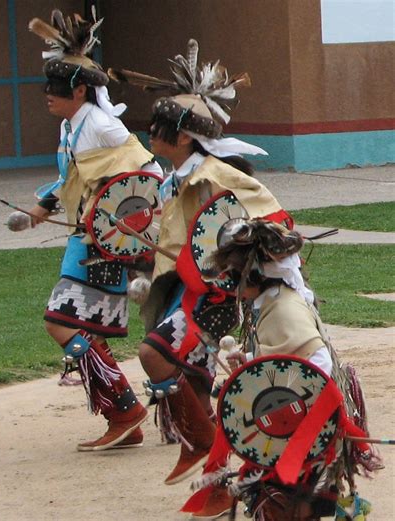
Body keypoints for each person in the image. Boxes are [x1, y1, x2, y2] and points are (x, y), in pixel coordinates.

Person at [110, 39, 293, 518]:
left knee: (154, 354)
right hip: (185, 292)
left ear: (187, 136)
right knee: (190, 385)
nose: (153, 131)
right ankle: (220, 483)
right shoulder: (175, 177)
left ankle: (202, 444)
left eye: (163, 126)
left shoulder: (215, 175)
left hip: (216, 297)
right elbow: (180, 238)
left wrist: (232, 263)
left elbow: (273, 221)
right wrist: (150, 270)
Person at [27, 8, 162, 451]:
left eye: (56, 88)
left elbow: (147, 174)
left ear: (81, 90)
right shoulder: (72, 125)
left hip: (104, 243)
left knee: (60, 322)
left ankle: (124, 409)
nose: (47, 95)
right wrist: (41, 207)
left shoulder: (103, 125)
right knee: (81, 327)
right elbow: (76, 178)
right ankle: (124, 416)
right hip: (84, 239)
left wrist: (118, 219)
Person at [183, 219, 380, 521]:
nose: (231, 286)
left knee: (283, 503)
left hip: (304, 425)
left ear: (255, 275)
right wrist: (253, 364)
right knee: (285, 501)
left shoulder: (284, 309)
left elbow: (318, 363)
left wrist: (287, 406)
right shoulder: (272, 302)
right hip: (294, 422)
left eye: (235, 277)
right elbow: (286, 357)